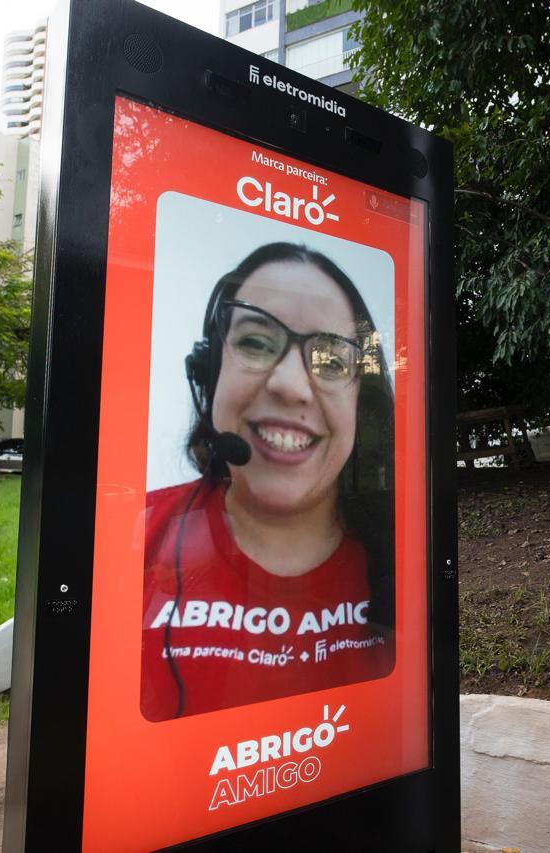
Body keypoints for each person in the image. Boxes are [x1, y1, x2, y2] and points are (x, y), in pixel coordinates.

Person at [141, 242, 395, 721]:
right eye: (256, 343)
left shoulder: (404, 557)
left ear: (361, 403)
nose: (291, 385)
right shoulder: (131, 537)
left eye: (332, 362)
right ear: (210, 369)